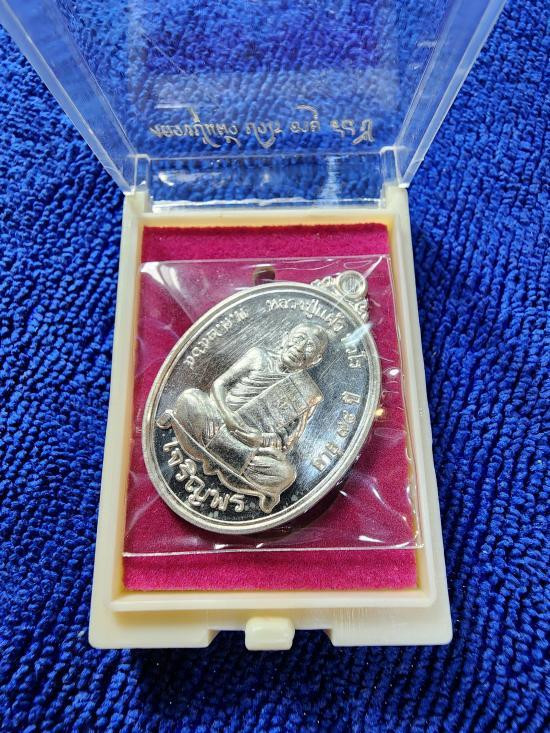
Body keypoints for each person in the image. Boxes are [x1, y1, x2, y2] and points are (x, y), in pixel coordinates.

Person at [158, 323, 328, 513]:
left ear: (315, 360)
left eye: (310, 347)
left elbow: (287, 441)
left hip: (247, 445)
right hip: (220, 419)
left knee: (285, 474)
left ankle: (212, 448)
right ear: (285, 337)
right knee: (190, 398)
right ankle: (228, 459)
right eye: (299, 339)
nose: (300, 348)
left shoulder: (306, 394)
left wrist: (259, 439)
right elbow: (220, 384)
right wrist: (228, 416)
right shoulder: (258, 356)